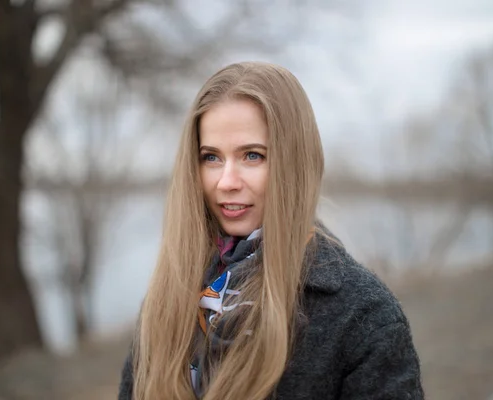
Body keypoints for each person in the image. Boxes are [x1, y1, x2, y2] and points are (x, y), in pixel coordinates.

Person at [118, 61, 424, 400]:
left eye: (252, 155)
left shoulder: (362, 315)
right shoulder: (170, 293)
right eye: (211, 157)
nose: (227, 182)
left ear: (295, 162)